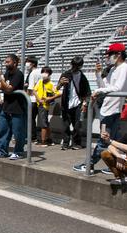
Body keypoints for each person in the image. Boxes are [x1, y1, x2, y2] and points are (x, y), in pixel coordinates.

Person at [74, 43, 127, 174]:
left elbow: (117, 88)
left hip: (111, 111)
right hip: (109, 109)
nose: (108, 57)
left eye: (110, 55)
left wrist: (98, 91)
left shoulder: (124, 68)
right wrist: (98, 74)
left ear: (118, 54)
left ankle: (89, 164)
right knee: (109, 141)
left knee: (104, 141)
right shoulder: (114, 69)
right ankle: (113, 165)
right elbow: (105, 85)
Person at [0, 54, 26, 160]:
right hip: (6, 106)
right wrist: (3, 84)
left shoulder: (18, 74)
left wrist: (1, 79)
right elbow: (0, 87)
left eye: (8, 62)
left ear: (15, 63)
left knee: (17, 131)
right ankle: (1, 151)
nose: (5, 64)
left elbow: (9, 89)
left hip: (17, 107)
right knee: (3, 130)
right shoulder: (7, 73)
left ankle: (18, 152)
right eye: (5, 62)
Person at [57, 56, 91, 150]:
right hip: (66, 104)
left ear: (80, 66)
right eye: (73, 65)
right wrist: (60, 83)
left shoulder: (82, 77)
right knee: (65, 125)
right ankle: (66, 143)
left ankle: (77, 143)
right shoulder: (66, 74)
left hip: (77, 104)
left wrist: (84, 104)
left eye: (77, 66)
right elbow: (57, 88)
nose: (74, 68)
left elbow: (87, 93)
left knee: (77, 125)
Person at [33, 67, 62, 147]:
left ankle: (43, 141)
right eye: (43, 72)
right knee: (45, 122)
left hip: (45, 106)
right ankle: (49, 139)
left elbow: (58, 93)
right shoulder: (40, 82)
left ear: (49, 74)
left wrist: (49, 98)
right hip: (40, 104)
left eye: (46, 73)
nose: (44, 74)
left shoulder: (51, 84)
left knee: (43, 124)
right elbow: (34, 91)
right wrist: (39, 99)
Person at [25, 56, 42, 142]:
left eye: (28, 62)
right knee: (37, 119)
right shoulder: (40, 72)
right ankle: (39, 137)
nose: (27, 64)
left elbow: (30, 88)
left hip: (32, 99)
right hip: (40, 98)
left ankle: (32, 136)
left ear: (32, 63)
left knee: (30, 119)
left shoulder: (32, 73)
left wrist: (25, 97)